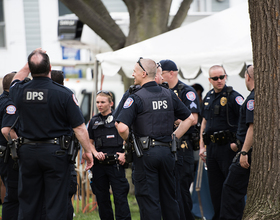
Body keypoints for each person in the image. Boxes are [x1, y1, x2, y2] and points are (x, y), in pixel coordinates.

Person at [9, 49, 93, 220]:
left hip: (28, 153)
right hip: (55, 153)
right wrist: (88, 151)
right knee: (56, 201)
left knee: (29, 201)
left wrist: (30, 62)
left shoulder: (18, 91)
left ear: (31, 69)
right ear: (50, 67)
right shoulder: (63, 93)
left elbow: (16, 78)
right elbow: (79, 128)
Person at [115, 57, 195, 220]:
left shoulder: (136, 97)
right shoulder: (169, 94)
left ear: (144, 73)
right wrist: (174, 137)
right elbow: (190, 119)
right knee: (169, 200)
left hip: (145, 155)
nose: (133, 74)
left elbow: (122, 127)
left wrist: (130, 140)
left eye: (135, 71)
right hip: (168, 153)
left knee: (149, 200)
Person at [199, 65, 244, 220]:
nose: (219, 80)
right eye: (215, 78)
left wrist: (237, 144)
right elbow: (203, 123)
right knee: (215, 189)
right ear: (209, 80)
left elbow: (245, 122)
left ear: (226, 76)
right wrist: (201, 146)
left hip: (228, 148)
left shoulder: (234, 97)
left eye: (222, 77)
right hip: (211, 149)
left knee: (230, 188)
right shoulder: (208, 97)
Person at [159, 59, 200, 220]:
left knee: (182, 190)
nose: (159, 76)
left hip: (183, 147)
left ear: (172, 73)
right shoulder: (161, 91)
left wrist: (173, 119)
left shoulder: (186, 91)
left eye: (161, 73)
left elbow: (193, 119)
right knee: (170, 190)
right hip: (166, 147)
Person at [87, 90, 131, 220]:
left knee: (120, 198)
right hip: (99, 165)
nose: (99, 105)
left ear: (111, 103)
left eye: (102, 102)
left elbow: (129, 139)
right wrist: (95, 153)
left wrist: (125, 154)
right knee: (102, 199)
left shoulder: (120, 119)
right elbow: (89, 142)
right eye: (97, 102)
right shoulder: (93, 121)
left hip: (116, 164)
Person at [220, 65, 254, 220]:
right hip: (245, 150)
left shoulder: (251, 99)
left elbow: (252, 128)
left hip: (247, 153)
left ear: (248, 77)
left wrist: (244, 152)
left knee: (230, 190)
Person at [50, 70, 78, 220]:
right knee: (65, 197)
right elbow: (78, 125)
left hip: (44, 153)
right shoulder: (67, 95)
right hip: (64, 154)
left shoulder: (46, 95)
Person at [0, 72, 19, 220]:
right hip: (9, 155)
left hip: (4, 154)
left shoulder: (1, 100)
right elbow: (7, 130)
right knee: (13, 196)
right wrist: (20, 147)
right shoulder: (10, 104)